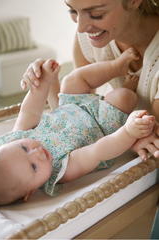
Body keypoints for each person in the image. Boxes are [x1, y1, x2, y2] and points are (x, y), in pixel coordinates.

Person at [0, 48, 156, 206]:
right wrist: (127, 132)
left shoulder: (17, 137)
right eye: (33, 167)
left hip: (70, 106)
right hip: (101, 123)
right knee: (123, 97)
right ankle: (126, 86)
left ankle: (116, 67)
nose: (36, 152)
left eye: (24, 148)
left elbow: (29, 111)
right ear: (32, 191)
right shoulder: (60, 170)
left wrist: (45, 81)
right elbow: (96, 152)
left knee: (72, 79)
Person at [20, 0, 159, 162]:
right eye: (72, 11)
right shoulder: (88, 37)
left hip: (118, 125)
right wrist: (45, 83)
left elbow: (149, 144)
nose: (80, 27)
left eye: (96, 15)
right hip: (103, 120)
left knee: (121, 99)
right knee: (71, 81)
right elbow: (72, 115)